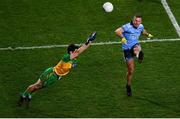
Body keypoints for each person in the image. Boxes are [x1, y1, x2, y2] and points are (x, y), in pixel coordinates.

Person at [18, 32, 97, 108]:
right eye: (75, 50)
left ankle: (29, 95)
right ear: (71, 52)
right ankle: (24, 95)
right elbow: (79, 51)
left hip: (56, 77)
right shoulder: (66, 57)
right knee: (37, 85)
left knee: (40, 87)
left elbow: (81, 50)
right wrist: (87, 42)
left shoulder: (73, 59)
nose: (77, 50)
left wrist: (90, 41)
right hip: (51, 74)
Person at [115, 15, 153, 96]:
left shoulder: (140, 26)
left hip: (135, 45)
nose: (137, 22)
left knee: (137, 48)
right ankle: (128, 86)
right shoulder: (127, 26)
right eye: (136, 20)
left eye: (139, 21)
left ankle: (139, 55)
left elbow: (143, 31)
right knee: (131, 71)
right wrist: (122, 38)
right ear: (133, 20)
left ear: (141, 22)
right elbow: (117, 31)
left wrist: (147, 34)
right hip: (127, 49)